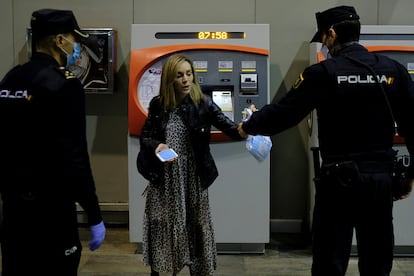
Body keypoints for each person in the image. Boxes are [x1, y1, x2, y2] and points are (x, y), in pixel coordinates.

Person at [238, 5, 414, 276]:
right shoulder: (393, 71)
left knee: (329, 262)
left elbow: (285, 113)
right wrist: (410, 175)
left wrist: (248, 126)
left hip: (339, 181)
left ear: (331, 34)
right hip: (380, 180)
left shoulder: (324, 73)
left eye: (323, 38)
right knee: (377, 261)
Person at [0, 9, 106, 275]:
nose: (77, 46)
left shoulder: (11, 78)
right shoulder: (65, 85)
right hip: (51, 211)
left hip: (14, 210)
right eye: (74, 39)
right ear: (60, 40)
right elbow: (75, 157)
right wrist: (94, 214)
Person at [139, 54, 244, 275]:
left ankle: (199, 270)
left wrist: (251, 126)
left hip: (192, 177)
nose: (186, 79)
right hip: (164, 176)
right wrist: (156, 145)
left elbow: (230, 128)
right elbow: (146, 135)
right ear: (169, 79)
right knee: (160, 223)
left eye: (189, 74)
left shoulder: (203, 102)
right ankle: (159, 269)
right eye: (179, 75)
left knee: (196, 225)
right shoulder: (159, 104)